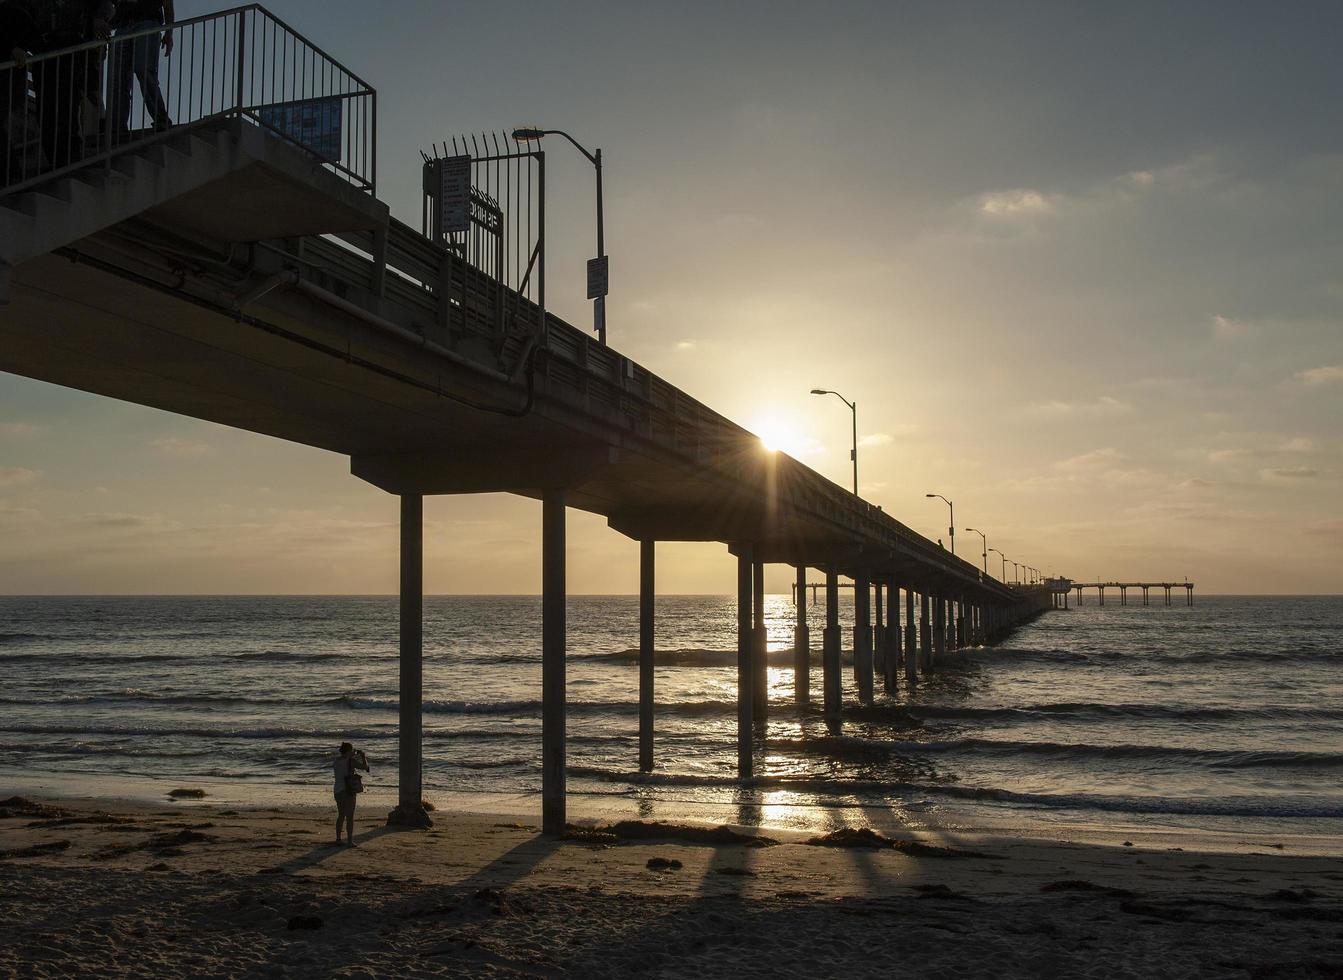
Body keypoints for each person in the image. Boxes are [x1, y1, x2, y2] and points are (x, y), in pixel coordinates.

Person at [29, 0, 113, 170]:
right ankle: (56, 159)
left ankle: (69, 157)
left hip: (72, 44)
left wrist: (99, 18)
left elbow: (106, 4)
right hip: (43, 49)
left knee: (67, 102)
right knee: (46, 108)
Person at [109, 0, 172, 139]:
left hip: (147, 22)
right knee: (118, 78)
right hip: (123, 26)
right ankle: (117, 129)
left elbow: (167, 3)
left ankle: (161, 119)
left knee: (143, 69)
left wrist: (169, 32)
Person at [332, 741, 369, 846]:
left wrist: (352, 756)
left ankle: (338, 838)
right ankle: (349, 840)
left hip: (337, 790)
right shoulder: (351, 761)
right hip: (348, 790)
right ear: (348, 751)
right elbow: (365, 767)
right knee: (350, 816)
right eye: (352, 750)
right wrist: (363, 756)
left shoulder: (336, 761)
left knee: (341, 815)